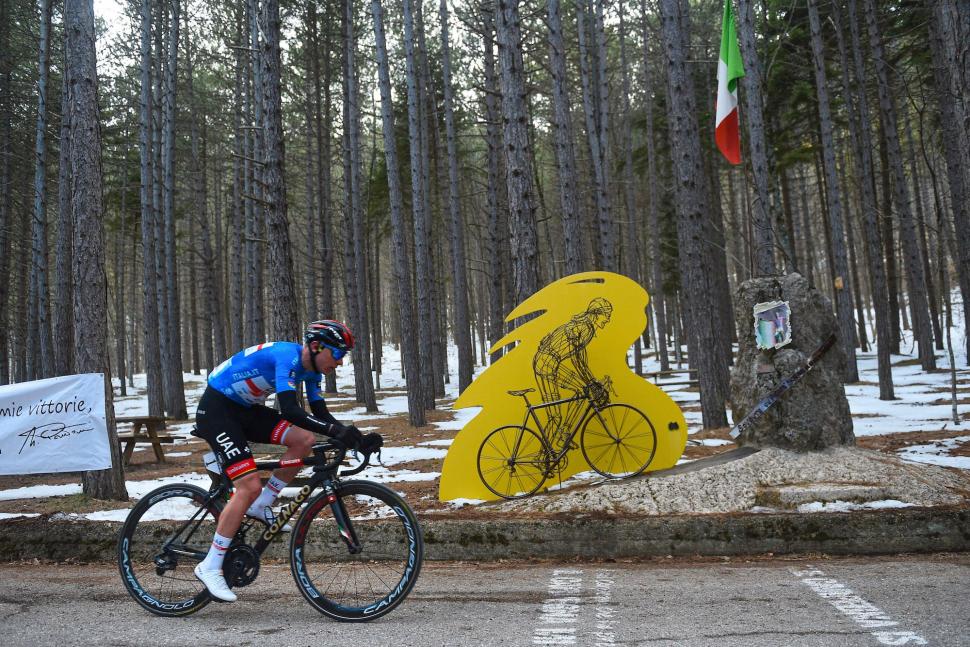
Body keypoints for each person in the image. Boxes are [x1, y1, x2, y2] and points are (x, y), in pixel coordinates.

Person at [192, 320, 383, 602]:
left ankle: (262, 505)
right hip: (217, 410)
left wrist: (354, 437)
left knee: (303, 441)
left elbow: (321, 415)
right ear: (317, 347)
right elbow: (291, 410)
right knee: (248, 485)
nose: (341, 363)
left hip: (244, 410)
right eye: (339, 354)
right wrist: (335, 432)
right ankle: (210, 565)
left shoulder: (312, 371)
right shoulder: (287, 357)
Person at [532, 298, 613, 446]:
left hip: (549, 361)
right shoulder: (585, 328)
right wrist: (591, 382)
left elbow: (581, 360)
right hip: (546, 363)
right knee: (555, 416)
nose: (608, 319)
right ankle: (544, 455)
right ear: (596, 314)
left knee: (581, 391)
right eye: (606, 315)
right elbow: (578, 361)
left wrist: (592, 381)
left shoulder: (585, 326)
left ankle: (564, 433)